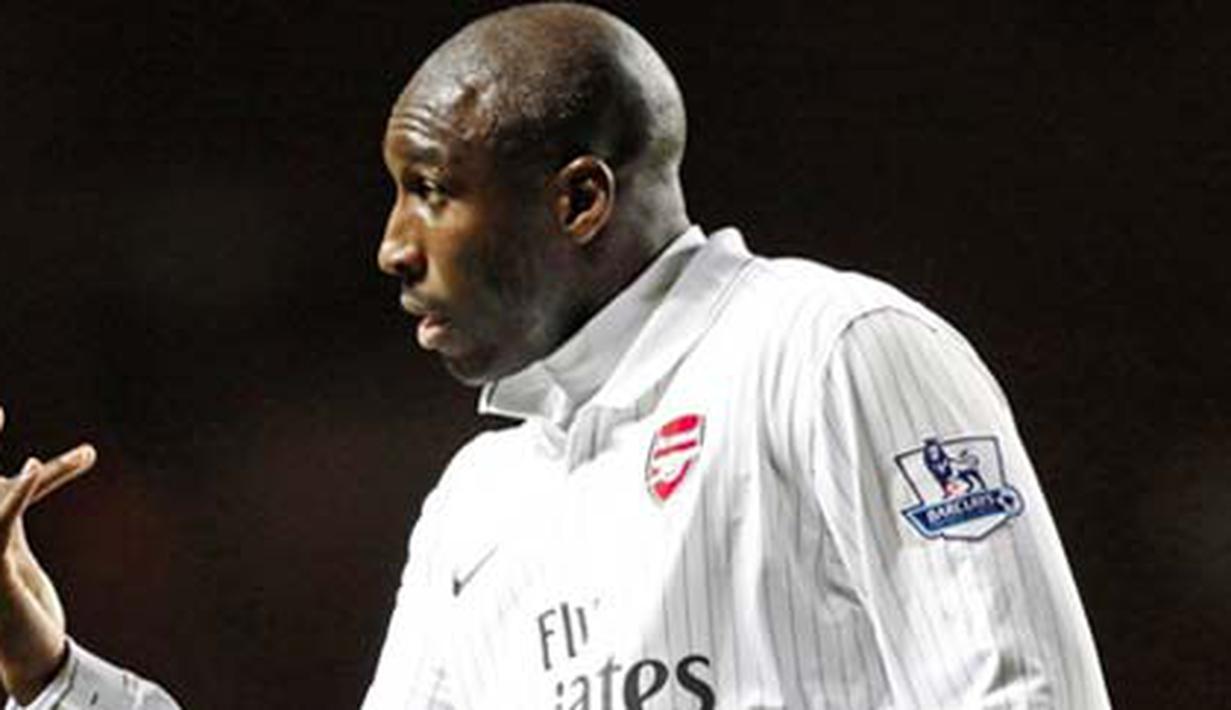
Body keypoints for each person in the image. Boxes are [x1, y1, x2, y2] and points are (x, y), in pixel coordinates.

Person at [1, 3, 1111, 708]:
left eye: (430, 192)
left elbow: (1022, 692)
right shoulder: (479, 503)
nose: (391, 246)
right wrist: (50, 675)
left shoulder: (831, 350)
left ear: (577, 198)